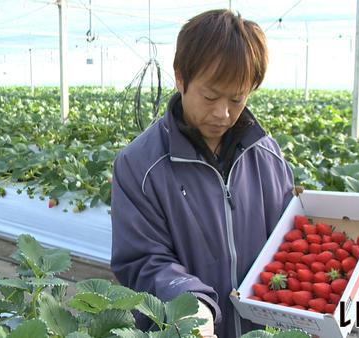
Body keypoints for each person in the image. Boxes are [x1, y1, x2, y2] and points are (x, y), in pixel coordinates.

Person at [111, 9, 294, 338]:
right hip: (186, 329)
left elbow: (288, 245)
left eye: (237, 99)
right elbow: (141, 261)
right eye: (210, 96)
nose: (222, 113)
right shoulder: (139, 165)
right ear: (181, 78)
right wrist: (190, 304)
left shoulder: (267, 157)